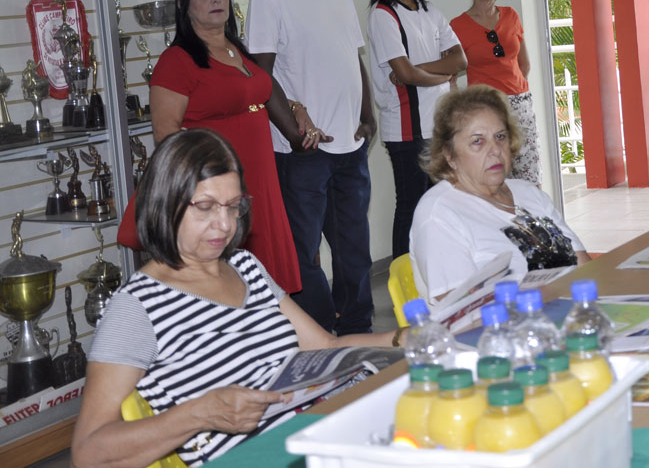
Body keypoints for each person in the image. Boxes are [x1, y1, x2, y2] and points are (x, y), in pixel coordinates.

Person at [72, 129, 402, 467]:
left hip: (313, 435)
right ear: (164, 202)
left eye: (233, 207)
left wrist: (405, 340)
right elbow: (88, 455)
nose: (224, 224)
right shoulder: (136, 307)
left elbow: (327, 348)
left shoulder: (245, 266)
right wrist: (198, 414)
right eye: (205, 207)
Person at [115, 0, 326, 293]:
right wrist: (208, 190)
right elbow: (165, 133)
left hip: (261, 180)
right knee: (231, 285)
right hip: (218, 188)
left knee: (265, 287)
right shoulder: (177, 60)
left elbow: (258, 94)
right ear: (185, 6)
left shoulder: (235, 49)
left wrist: (297, 110)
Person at [247, 0, 377, 334]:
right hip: (303, 153)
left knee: (353, 248)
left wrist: (366, 113)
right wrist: (293, 130)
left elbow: (352, 56)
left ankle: (357, 329)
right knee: (304, 255)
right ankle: (318, 336)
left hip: (349, 147)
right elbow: (261, 74)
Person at [409, 85, 588, 299]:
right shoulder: (438, 214)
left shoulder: (529, 193)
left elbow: (584, 267)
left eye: (500, 137)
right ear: (449, 155)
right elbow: (463, 313)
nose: (495, 150)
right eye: (477, 141)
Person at [366, 0, 465, 259]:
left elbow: (460, 61)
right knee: (411, 206)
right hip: (406, 129)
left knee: (439, 205)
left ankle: (436, 276)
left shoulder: (430, 10)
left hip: (437, 125)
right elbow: (403, 75)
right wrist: (439, 74)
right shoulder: (384, 14)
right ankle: (405, 285)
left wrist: (420, 70)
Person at [450, 0, 543, 185]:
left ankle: (532, 222)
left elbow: (525, 64)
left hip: (520, 104)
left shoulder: (511, 15)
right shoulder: (457, 26)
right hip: (484, 109)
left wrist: (513, 94)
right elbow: (451, 77)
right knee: (494, 178)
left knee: (529, 178)